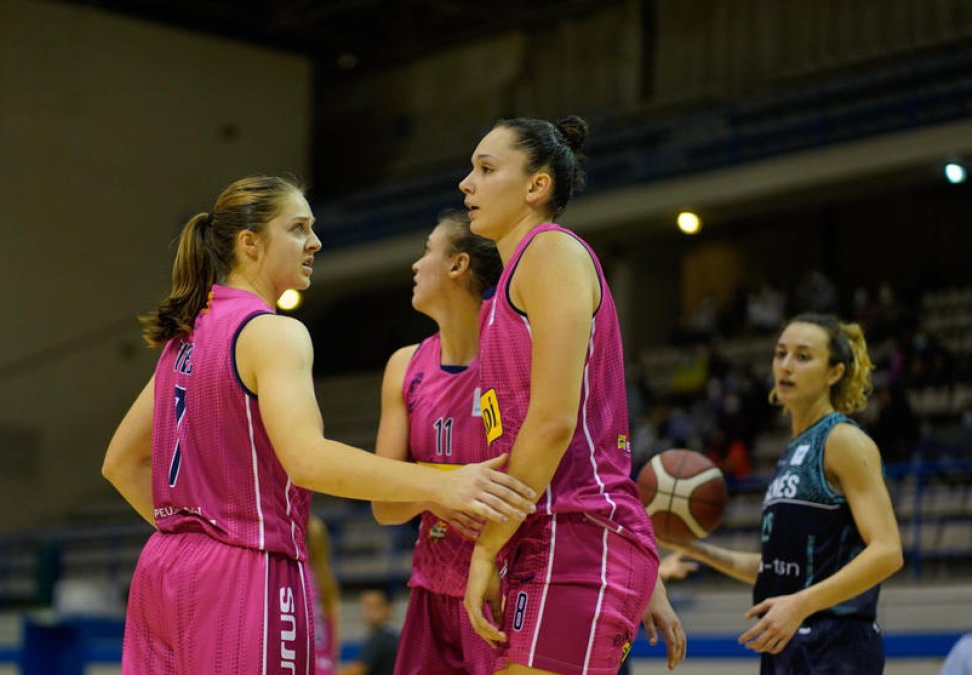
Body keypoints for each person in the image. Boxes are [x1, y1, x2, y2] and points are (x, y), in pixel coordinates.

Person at [101, 176, 539, 673]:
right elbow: (308, 460)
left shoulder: (186, 337)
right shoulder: (273, 332)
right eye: (298, 228)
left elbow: (119, 463)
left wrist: (194, 538)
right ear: (251, 243)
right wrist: (446, 482)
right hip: (247, 568)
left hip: (162, 569)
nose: (316, 241)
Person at [457, 116, 686, 674]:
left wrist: (486, 548)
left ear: (537, 186)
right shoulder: (501, 296)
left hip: (580, 534)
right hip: (547, 534)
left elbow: (555, 424)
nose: (466, 183)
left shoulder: (550, 253)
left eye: (486, 169)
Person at [672, 314, 903, 674]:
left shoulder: (842, 440)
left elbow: (888, 551)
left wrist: (801, 604)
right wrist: (692, 547)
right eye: (780, 353)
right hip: (788, 641)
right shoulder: (793, 450)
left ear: (834, 373)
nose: (786, 365)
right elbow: (775, 569)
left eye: (803, 356)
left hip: (834, 644)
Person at [369, 210, 503, 674]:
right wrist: (447, 482)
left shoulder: (515, 358)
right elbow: (385, 506)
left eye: (427, 250)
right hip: (430, 588)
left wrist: (421, 485)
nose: (415, 264)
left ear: (457, 265)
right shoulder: (404, 366)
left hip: (501, 586)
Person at [339, 589, 401, 675]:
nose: (370, 612)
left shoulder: (382, 638)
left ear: (388, 609)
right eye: (366, 607)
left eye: (376, 606)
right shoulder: (392, 635)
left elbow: (357, 670)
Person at [308, 516, 341, 675]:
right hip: (326, 666)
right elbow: (335, 636)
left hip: (304, 663)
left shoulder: (298, 573)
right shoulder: (327, 580)